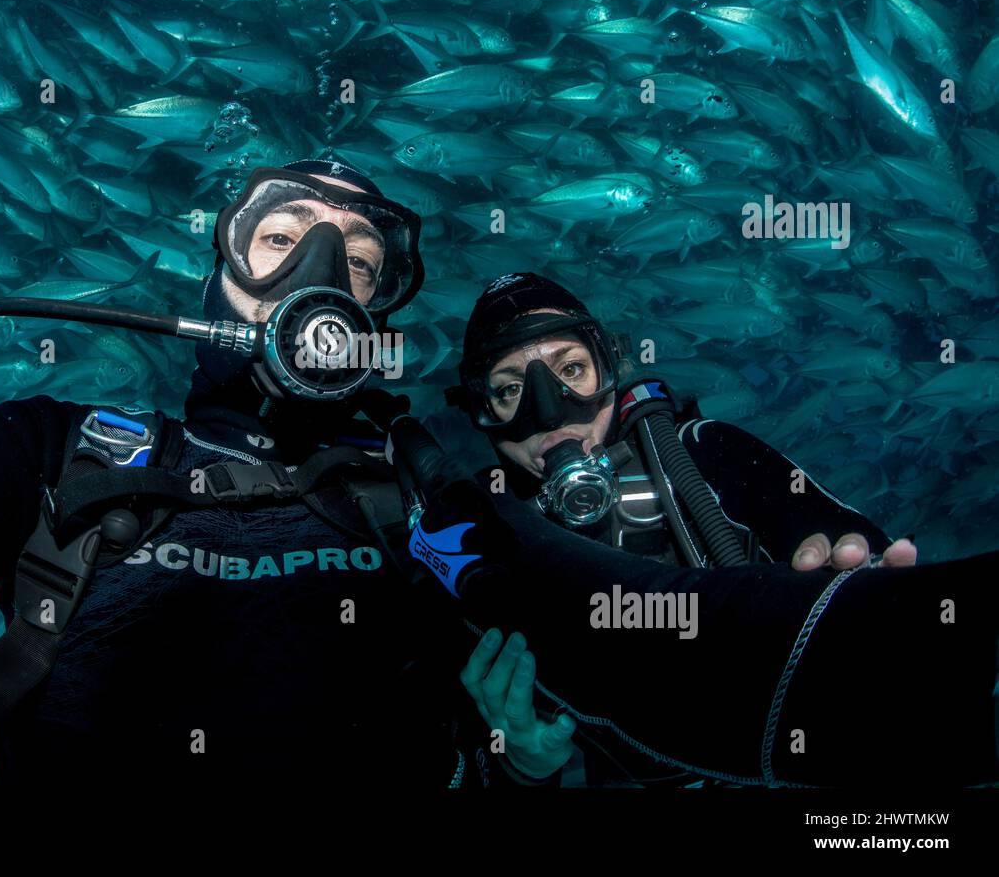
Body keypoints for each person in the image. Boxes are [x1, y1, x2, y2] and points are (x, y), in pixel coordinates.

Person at [0, 159, 505, 788]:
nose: (320, 275)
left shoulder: (431, 493)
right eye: (281, 240)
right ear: (215, 280)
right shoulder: (54, 451)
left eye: (360, 264)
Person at [416, 272, 997, 787]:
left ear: (610, 372)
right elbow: (468, 762)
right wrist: (528, 762)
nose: (550, 412)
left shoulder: (703, 455)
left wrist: (858, 572)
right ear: (479, 413)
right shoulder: (472, 545)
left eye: (571, 370)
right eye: (509, 389)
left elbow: (851, 542)